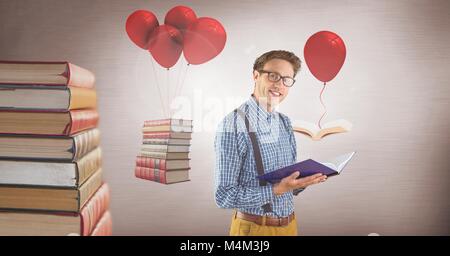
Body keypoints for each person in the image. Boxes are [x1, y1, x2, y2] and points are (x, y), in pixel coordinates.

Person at [214, 50, 327, 236]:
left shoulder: (284, 122)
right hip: (254, 230)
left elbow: (287, 185)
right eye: (273, 76)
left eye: (286, 79)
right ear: (256, 75)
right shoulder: (234, 124)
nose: (279, 85)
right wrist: (277, 189)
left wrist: (304, 181)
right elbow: (224, 196)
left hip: (290, 226)